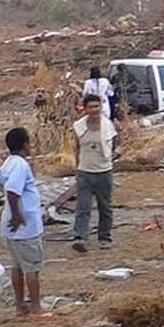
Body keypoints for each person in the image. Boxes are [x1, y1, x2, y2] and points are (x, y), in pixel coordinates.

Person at [0, 127, 47, 317]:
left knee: (17, 266)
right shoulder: (21, 165)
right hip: (24, 224)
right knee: (32, 267)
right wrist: (17, 213)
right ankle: (36, 307)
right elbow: (13, 190)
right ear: (24, 144)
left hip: (13, 224)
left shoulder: (9, 162)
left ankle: (20, 304)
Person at [71, 93, 115, 251]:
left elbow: (113, 145)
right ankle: (80, 237)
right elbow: (76, 148)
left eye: (97, 106)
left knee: (105, 206)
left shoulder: (108, 125)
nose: (94, 110)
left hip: (104, 171)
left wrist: (109, 160)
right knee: (83, 207)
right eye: (91, 107)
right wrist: (77, 167)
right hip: (85, 172)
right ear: (85, 108)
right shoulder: (79, 126)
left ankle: (105, 237)